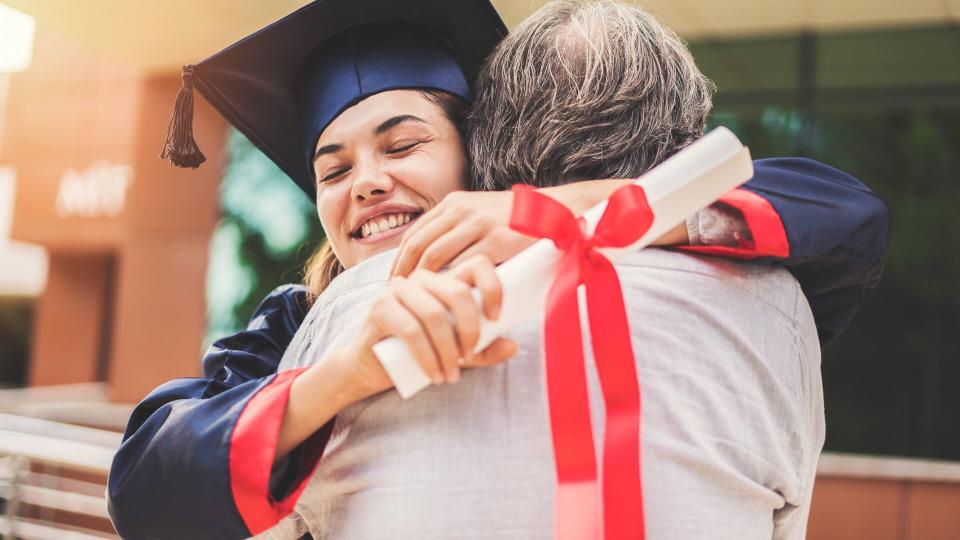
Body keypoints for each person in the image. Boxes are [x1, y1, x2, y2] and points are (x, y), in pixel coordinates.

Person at [107, 1, 889, 538]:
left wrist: (552, 210)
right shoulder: (301, 321)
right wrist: (344, 375)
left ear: (481, 157)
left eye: (403, 144)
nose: (368, 182)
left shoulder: (590, 244)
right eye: (332, 168)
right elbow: (148, 480)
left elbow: (835, 209)